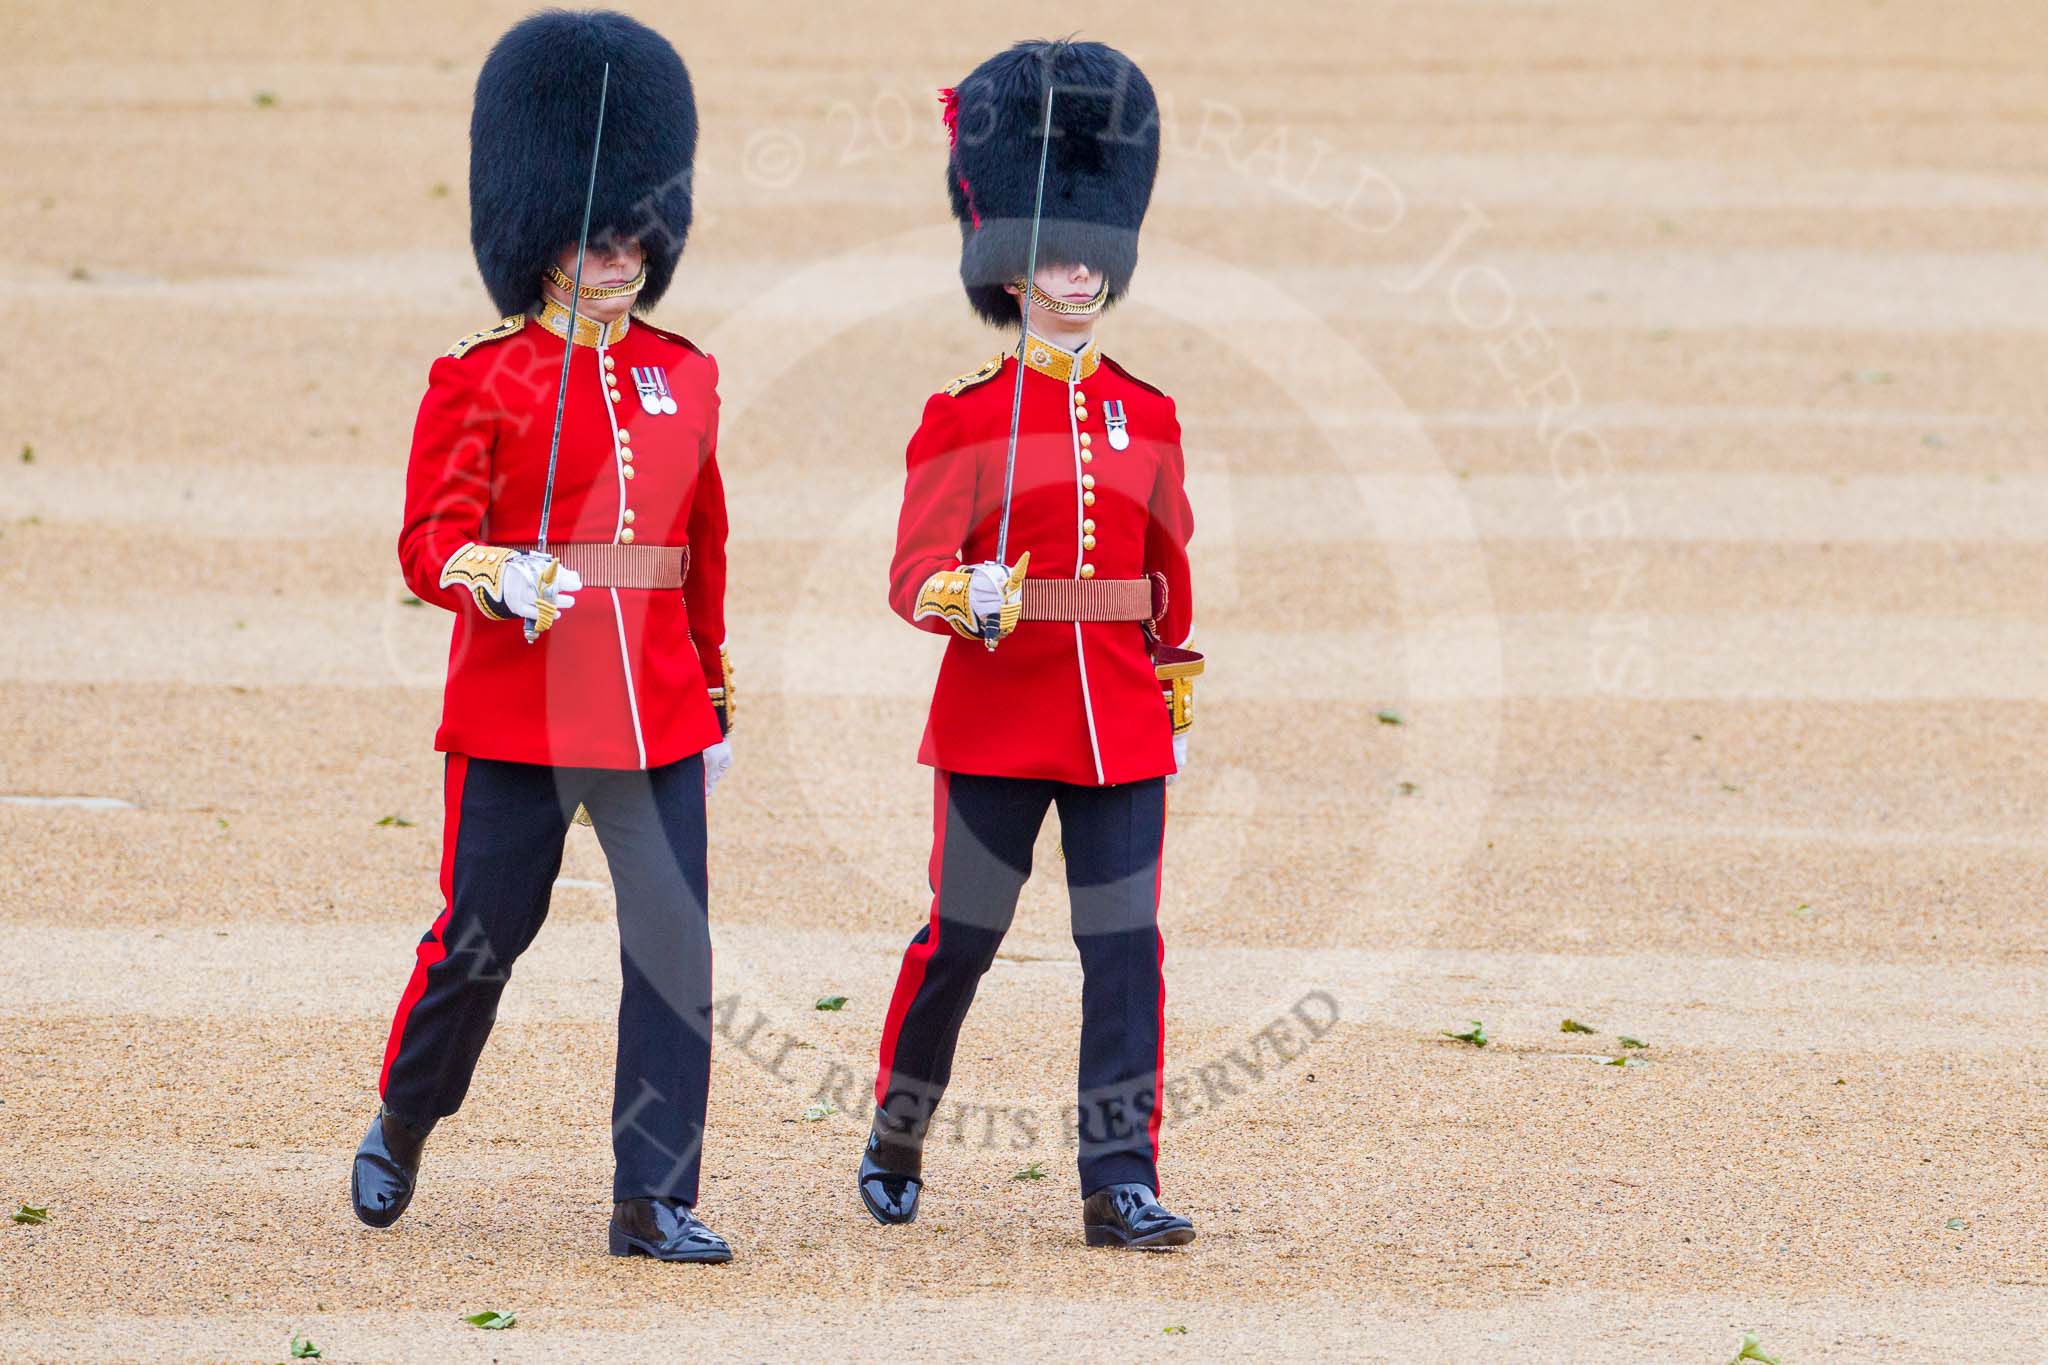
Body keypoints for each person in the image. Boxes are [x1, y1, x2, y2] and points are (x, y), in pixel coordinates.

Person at [349, 9, 736, 1265]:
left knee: (673, 952)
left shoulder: (687, 373)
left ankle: (652, 1196)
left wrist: (711, 694)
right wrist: (497, 576)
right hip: (520, 710)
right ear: (538, 239)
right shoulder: (478, 377)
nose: (616, 256)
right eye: (589, 235)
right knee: (477, 944)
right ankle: (407, 1116)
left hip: (654, 712)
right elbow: (424, 539)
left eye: (633, 234)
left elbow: (697, 553)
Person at [859, 39, 1204, 1250]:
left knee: (1123, 954)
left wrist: (1170, 673)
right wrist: (969, 599)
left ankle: (1119, 1177)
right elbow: (911, 576)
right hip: (998, 714)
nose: (1077, 273)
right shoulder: (963, 414)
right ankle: (899, 1125)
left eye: (1091, 253)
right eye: (1054, 254)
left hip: (1117, 722)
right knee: (961, 939)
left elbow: (1168, 574)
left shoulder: (1147, 411)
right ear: (1011, 271)